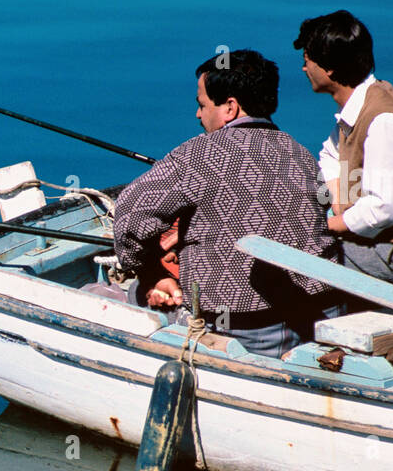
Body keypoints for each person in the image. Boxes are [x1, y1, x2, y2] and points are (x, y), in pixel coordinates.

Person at [110, 49, 342, 358]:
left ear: (230, 107)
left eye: (202, 105)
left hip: (245, 330)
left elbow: (129, 219)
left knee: (109, 293)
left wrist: (153, 274)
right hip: (322, 318)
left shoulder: (197, 154)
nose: (197, 114)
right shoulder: (300, 154)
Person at [294, 10, 393, 293]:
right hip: (373, 246)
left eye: (307, 61)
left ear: (328, 68)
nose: (304, 69)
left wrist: (330, 225)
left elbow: (384, 209)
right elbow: (330, 155)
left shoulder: (384, 119)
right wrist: (339, 201)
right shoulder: (356, 110)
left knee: (289, 261)